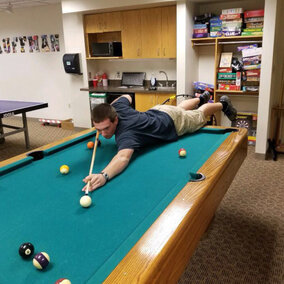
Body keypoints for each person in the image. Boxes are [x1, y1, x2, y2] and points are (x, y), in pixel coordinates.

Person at [82, 93, 237, 192]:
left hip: (172, 123)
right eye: (98, 129)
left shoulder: (125, 134)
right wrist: (105, 117)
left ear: (115, 119)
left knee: (199, 114)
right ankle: (201, 97)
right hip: (159, 111)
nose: (103, 134)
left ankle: (223, 104)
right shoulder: (116, 108)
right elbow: (127, 96)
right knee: (179, 108)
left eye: (106, 128)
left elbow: (122, 157)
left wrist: (104, 176)